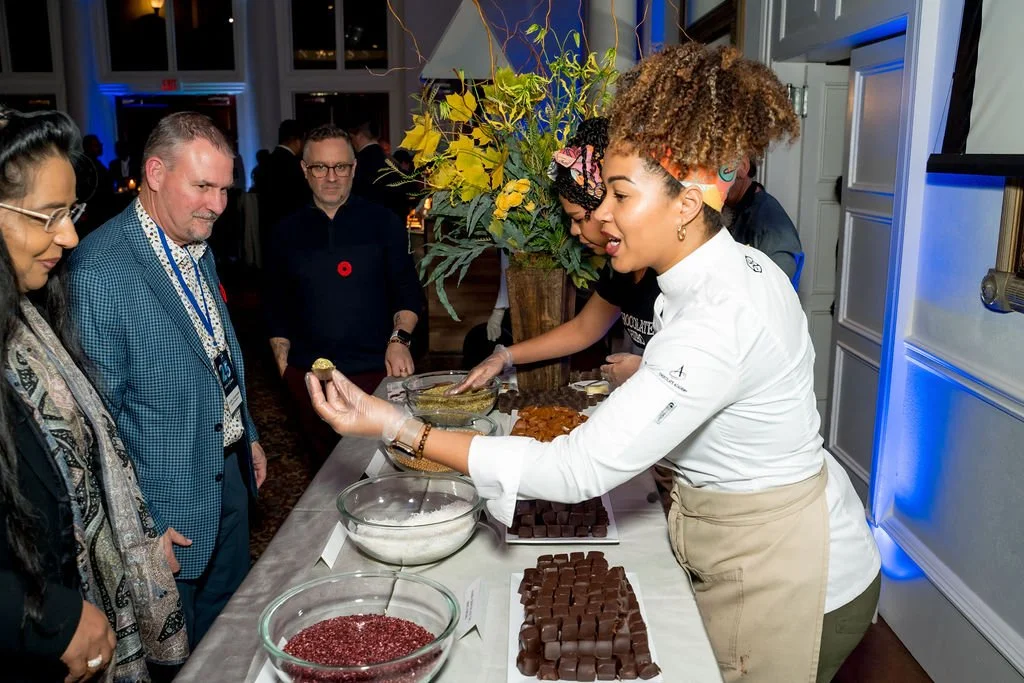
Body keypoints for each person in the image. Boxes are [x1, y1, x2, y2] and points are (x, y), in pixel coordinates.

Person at [308, 44, 881, 683]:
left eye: (620, 195)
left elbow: (577, 468)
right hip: (748, 544)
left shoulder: (720, 313)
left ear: (687, 204)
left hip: (793, 575)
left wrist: (400, 427)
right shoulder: (705, 277)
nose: (602, 217)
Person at [67, 112, 267, 652]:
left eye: (225, 189)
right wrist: (141, 531)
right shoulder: (99, 270)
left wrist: (245, 431)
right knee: (180, 651)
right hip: (166, 505)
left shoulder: (192, 240)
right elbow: (96, 427)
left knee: (230, 629)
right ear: (155, 173)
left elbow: (217, 350)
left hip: (226, 473)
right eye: (203, 186)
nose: (218, 205)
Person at [0, 108, 188, 681]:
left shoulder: (30, 321)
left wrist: (138, 550)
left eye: (71, 212)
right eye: (48, 215)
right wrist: (44, 616)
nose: (70, 235)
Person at [458, 117, 660, 391]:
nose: (575, 231)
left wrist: (646, 372)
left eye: (578, 218)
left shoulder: (673, 267)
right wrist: (505, 356)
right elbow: (583, 329)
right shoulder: (622, 266)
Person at [266, 124, 423, 472]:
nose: (332, 177)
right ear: (305, 171)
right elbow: (276, 304)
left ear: (354, 169)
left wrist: (400, 340)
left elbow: (408, 291)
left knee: (383, 474)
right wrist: (285, 371)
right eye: (321, 167)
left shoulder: (383, 222)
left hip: (375, 375)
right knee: (324, 477)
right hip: (312, 379)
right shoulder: (284, 232)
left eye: (341, 167)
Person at [723, 156, 804, 282]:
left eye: (717, 170)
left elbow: (776, 289)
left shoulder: (773, 229)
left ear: (742, 167)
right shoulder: (730, 208)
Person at [258, 119, 310, 255]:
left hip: (268, 228)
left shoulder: (265, 163)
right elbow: (301, 200)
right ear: (298, 140)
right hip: (292, 229)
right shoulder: (296, 166)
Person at [347, 118, 416, 217]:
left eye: (351, 138)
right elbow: (412, 191)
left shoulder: (356, 164)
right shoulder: (393, 162)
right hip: (395, 226)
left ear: (358, 136)